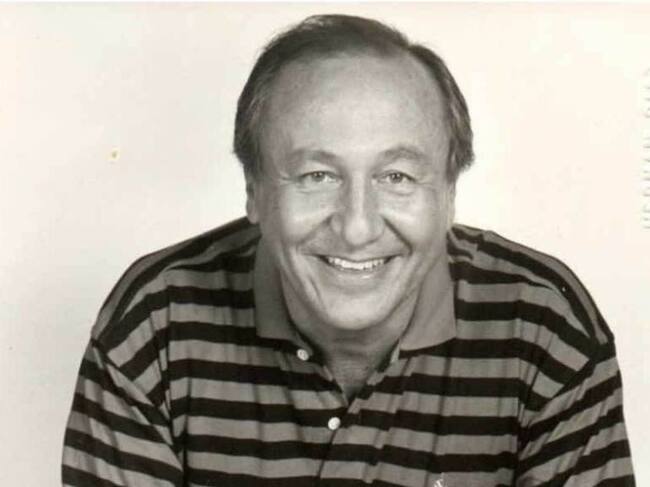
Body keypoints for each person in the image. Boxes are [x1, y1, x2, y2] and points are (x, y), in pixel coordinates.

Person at [61, 14, 635, 487]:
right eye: (317, 176)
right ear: (254, 191)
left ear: (449, 194)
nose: (357, 228)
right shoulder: (154, 325)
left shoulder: (546, 332)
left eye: (397, 177)